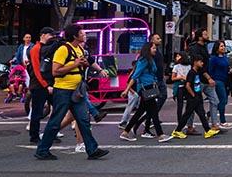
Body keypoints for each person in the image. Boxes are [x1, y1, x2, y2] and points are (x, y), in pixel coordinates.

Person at [33, 24, 108, 161]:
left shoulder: (79, 49)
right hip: (63, 91)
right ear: (74, 36)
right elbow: (55, 71)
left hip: (76, 91)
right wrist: (75, 64)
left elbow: (86, 62)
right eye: (81, 33)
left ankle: (92, 150)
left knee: (84, 120)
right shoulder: (63, 49)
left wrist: (86, 65)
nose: (84, 35)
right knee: (56, 121)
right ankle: (42, 150)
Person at [120, 42, 172, 142]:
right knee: (154, 112)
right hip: (146, 88)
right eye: (153, 48)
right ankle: (160, 135)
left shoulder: (150, 59)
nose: (155, 50)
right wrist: (127, 90)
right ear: (148, 49)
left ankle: (126, 132)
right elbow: (135, 76)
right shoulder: (143, 61)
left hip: (150, 87)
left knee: (140, 111)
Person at [172, 55, 219, 139]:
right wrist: (193, 95)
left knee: (201, 114)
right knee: (187, 114)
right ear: (195, 62)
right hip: (193, 98)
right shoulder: (191, 72)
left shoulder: (197, 72)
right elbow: (187, 85)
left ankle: (207, 130)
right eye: (200, 62)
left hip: (197, 96)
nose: (202, 63)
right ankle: (177, 131)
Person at [26, 27, 57, 144]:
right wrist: (46, 85)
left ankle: (50, 133)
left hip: (47, 83)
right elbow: (36, 69)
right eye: (50, 35)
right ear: (43, 35)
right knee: (37, 112)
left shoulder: (46, 47)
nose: (52, 37)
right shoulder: (36, 48)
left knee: (57, 109)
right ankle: (34, 136)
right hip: (39, 85)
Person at [187, 29, 219, 132]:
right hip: (198, 80)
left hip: (206, 79)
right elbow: (198, 66)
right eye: (205, 34)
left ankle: (214, 124)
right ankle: (189, 126)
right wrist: (208, 77)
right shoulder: (194, 48)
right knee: (193, 103)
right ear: (200, 37)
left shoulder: (204, 46)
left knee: (215, 100)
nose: (207, 35)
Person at [207, 40, 231, 129]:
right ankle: (222, 121)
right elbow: (210, 70)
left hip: (225, 80)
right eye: (221, 46)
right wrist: (211, 80)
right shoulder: (213, 59)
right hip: (217, 81)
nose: (223, 47)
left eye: (224, 46)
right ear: (217, 48)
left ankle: (210, 113)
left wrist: (230, 70)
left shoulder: (225, 57)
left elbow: (227, 67)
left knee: (223, 101)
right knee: (223, 100)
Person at [170, 52, 189, 127]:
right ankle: (180, 122)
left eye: (178, 56)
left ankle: (187, 122)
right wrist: (181, 77)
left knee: (190, 105)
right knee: (180, 105)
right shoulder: (176, 66)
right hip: (179, 86)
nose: (177, 58)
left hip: (188, 86)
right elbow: (172, 78)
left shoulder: (189, 66)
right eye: (176, 56)